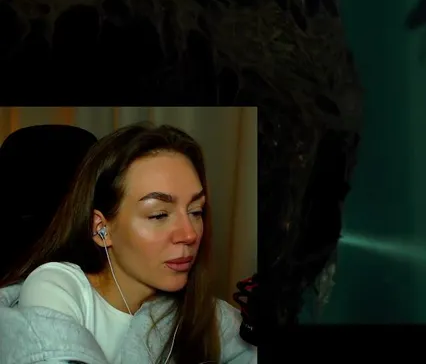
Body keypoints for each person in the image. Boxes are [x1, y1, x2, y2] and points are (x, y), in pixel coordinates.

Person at [0, 122, 256, 363]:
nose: (189, 234)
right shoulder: (57, 289)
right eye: (159, 215)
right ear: (102, 228)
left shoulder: (210, 316)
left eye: (196, 211)